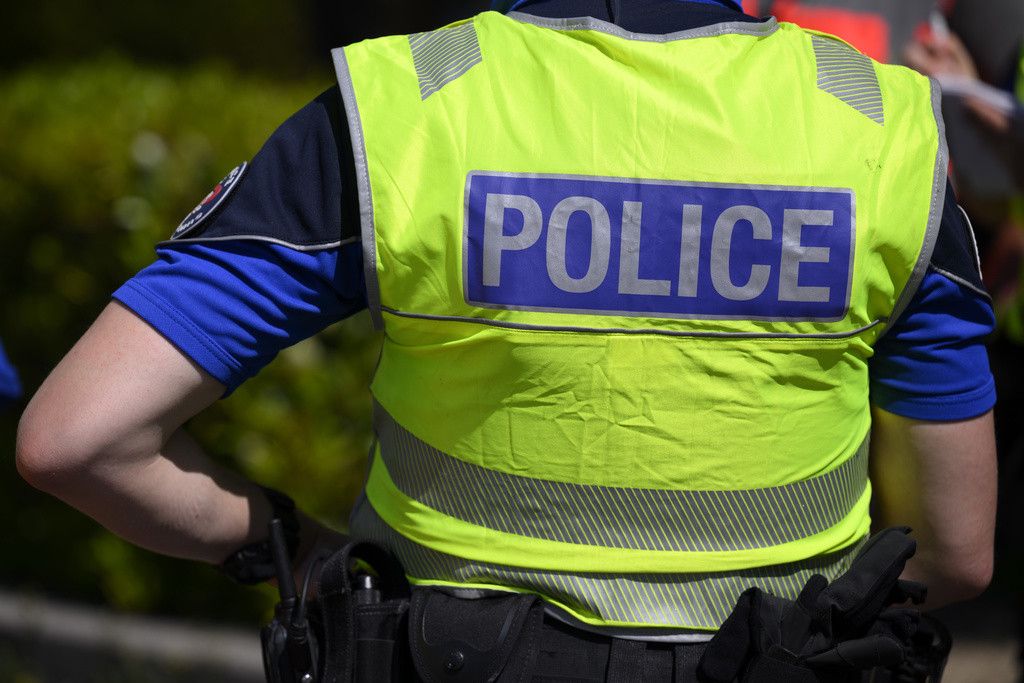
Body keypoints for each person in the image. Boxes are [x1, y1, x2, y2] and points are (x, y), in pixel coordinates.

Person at [16, 0, 998, 680]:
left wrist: (303, 551)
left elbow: (76, 437)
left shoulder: (402, 109)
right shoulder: (881, 127)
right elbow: (958, 553)